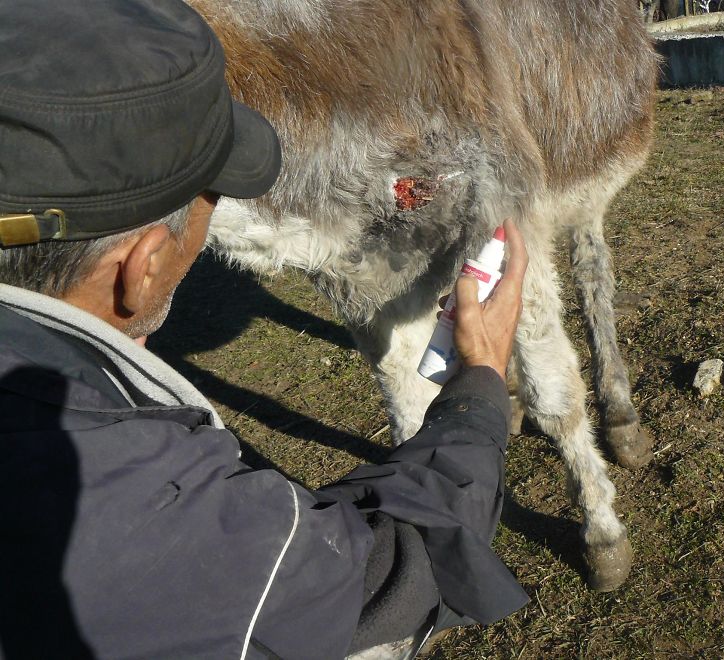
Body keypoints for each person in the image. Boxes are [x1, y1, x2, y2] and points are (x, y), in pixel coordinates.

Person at [0, 1, 529, 659]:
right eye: (210, 200)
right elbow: (387, 577)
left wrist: (94, 342)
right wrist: (478, 382)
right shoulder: (142, 505)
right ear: (139, 270)